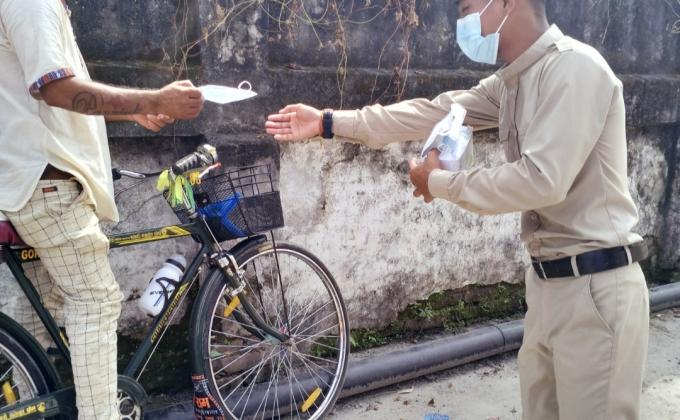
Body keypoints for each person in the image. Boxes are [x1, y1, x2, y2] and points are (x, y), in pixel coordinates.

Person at [265, 0, 649, 419]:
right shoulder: (512, 82)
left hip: (595, 287)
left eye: (467, 8)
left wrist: (437, 183)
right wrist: (327, 122)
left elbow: (542, 180)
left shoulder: (576, 69)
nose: (461, 22)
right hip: (547, 285)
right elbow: (432, 111)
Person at [0, 0, 204, 418]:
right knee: (95, 301)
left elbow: (53, 103)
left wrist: (137, 110)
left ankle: (26, 403)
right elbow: (57, 90)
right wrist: (154, 98)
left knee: (37, 310)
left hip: (29, 182)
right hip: (49, 186)